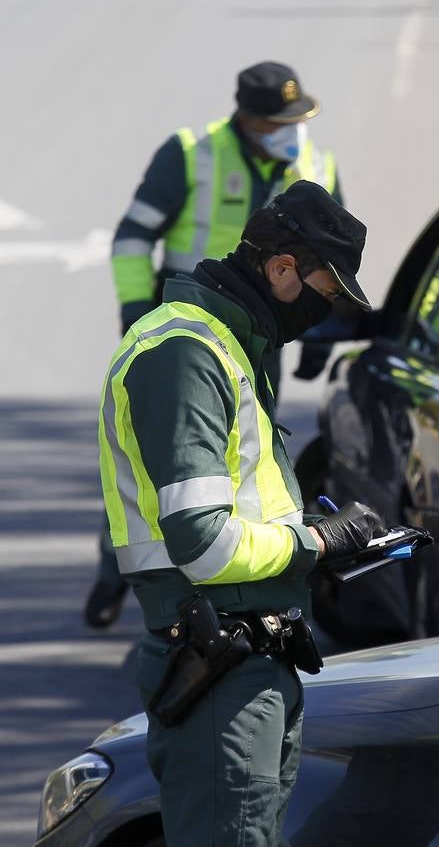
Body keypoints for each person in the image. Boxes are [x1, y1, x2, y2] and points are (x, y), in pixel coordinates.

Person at [98, 180, 385, 845]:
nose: (328, 308)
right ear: (282, 268)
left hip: (248, 659)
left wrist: (326, 543)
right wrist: (316, 540)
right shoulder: (186, 354)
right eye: (328, 290)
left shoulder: (228, 344)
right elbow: (202, 543)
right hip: (219, 667)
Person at [85, 60, 340, 628]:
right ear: (247, 119)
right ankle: (115, 570)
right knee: (164, 464)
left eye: (297, 119)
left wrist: (325, 330)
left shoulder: (314, 163)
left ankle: (257, 574)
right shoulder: (190, 154)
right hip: (190, 329)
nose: (291, 131)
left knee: (247, 460)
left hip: (263, 335)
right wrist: (136, 314)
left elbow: (332, 266)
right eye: (277, 121)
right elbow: (132, 239)